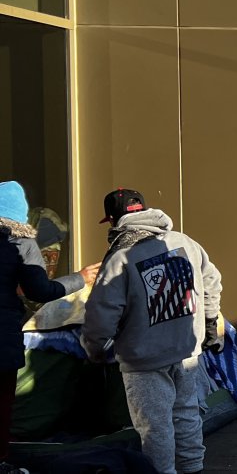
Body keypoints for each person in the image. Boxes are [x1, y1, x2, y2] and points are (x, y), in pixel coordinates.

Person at [82, 188, 223, 474]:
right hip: (187, 351)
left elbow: (102, 313)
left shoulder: (120, 258)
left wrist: (95, 349)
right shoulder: (184, 242)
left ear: (113, 221)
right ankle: (193, 469)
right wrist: (209, 323)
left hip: (144, 360)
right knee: (187, 415)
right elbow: (212, 281)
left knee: (155, 426)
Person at [0, 182, 98, 472]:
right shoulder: (20, 241)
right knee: (2, 402)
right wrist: (80, 278)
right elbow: (40, 290)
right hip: (2, 338)